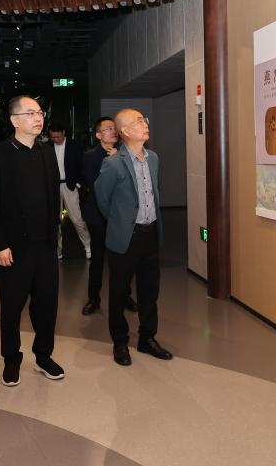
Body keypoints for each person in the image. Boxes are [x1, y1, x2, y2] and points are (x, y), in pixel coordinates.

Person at [0, 95, 64, 386]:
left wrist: (55, 234)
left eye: (40, 113)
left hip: (46, 245)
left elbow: (54, 197)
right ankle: (11, 359)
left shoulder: (47, 152)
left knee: (46, 306)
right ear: (14, 120)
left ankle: (43, 356)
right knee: (12, 307)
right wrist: (0, 244)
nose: (38, 118)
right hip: (14, 248)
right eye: (30, 113)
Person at [95, 108, 172, 366]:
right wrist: (120, 222)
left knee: (150, 291)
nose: (145, 124)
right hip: (125, 236)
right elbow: (102, 199)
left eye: (144, 119)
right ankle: (120, 342)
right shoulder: (113, 163)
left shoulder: (153, 158)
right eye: (139, 121)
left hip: (150, 234)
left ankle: (147, 338)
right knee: (119, 292)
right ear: (125, 131)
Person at [81, 116, 137, 315]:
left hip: (121, 215)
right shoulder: (90, 156)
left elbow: (132, 183)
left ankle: (125, 296)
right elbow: (97, 186)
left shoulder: (126, 152)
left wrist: (120, 159)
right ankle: (93, 299)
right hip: (97, 214)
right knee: (97, 259)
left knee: (122, 259)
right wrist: (113, 162)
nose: (113, 131)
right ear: (98, 135)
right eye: (108, 129)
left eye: (114, 128)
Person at [46, 121, 91, 260]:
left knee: (76, 219)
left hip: (70, 185)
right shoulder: (47, 147)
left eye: (58, 136)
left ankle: (88, 246)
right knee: (55, 221)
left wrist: (78, 183)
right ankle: (57, 250)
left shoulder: (74, 146)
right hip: (53, 187)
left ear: (64, 133)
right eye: (53, 137)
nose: (56, 139)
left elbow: (83, 165)